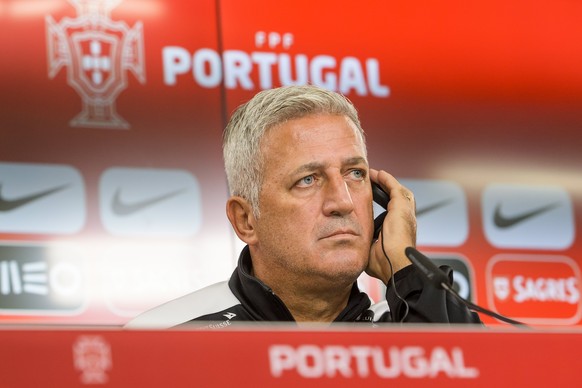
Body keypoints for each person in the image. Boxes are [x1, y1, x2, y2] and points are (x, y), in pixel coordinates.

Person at [125, 85, 481, 329]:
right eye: (308, 180)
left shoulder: (415, 324)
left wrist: (409, 274)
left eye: (355, 174)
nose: (343, 202)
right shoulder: (162, 339)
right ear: (246, 220)